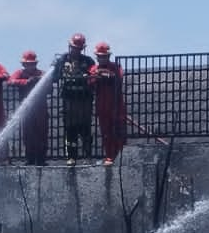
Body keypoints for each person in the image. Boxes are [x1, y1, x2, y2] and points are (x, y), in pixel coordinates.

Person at [51, 33, 95, 164]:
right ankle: (71, 157)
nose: (76, 50)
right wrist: (56, 68)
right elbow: (54, 77)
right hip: (69, 100)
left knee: (85, 129)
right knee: (70, 129)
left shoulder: (88, 61)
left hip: (84, 100)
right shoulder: (62, 60)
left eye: (78, 48)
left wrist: (84, 75)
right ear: (70, 47)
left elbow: (93, 76)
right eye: (74, 48)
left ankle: (88, 156)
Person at [89, 41, 128, 165]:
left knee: (119, 132)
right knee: (106, 133)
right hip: (103, 107)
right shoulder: (94, 69)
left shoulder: (116, 67)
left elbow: (119, 77)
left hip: (117, 106)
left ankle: (120, 156)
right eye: (100, 56)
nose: (102, 58)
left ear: (108, 56)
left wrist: (107, 75)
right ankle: (109, 156)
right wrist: (97, 77)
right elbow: (89, 82)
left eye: (104, 56)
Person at [10, 50, 50, 166]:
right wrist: (27, 82)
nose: (30, 66)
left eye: (32, 64)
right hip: (27, 110)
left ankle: (41, 158)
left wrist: (41, 81)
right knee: (28, 134)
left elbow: (49, 86)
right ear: (23, 65)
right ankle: (30, 158)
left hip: (41, 108)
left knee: (42, 133)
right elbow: (11, 81)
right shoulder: (20, 73)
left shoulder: (41, 74)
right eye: (28, 64)